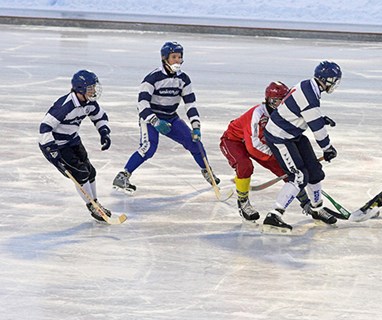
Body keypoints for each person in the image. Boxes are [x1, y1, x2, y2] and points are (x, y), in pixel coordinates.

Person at [113, 41, 219, 194]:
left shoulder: (184, 79)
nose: (177, 60)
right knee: (148, 147)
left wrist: (196, 126)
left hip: (171, 118)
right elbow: (142, 105)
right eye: (174, 57)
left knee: (194, 142)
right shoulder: (152, 78)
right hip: (150, 118)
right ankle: (123, 176)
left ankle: (207, 171)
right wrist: (155, 121)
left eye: (180, 57)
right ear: (165, 58)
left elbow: (190, 104)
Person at [220, 81, 320, 222]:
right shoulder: (258, 114)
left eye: (283, 100)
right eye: (276, 101)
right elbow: (253, 146)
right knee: (245, 165)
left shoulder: (285, 114)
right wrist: (278, 155)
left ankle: (306, 203)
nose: (280, 105)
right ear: (268, 100)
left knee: (289, 172)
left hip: (261, 144)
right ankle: (243, 201)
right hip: (235, 141)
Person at [261, 61, 342, 233]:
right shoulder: (310, 97)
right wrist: (327, 148)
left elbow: (301, 112)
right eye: (334, 80)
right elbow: (317, 129)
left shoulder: (308, 85)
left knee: (314, 171)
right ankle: (274, 215)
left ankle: (317, 208)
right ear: (326, 80)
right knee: (298, 176)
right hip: (280, 137)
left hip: (293, 134)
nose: (335, 84)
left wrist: (320, 118)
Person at [38, 69, 113, 222]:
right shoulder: (65, 106)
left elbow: (99, 116)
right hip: (56, 145)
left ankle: (95, 202)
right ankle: (92, 206)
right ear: (80, 89)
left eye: (94, 87)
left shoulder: (89, 102)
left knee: (90, 172)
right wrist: (51, 148)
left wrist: (104, 132)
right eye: (90, 88)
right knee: (80, 174)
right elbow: (45, 127)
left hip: (73, 140)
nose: (93, 91)